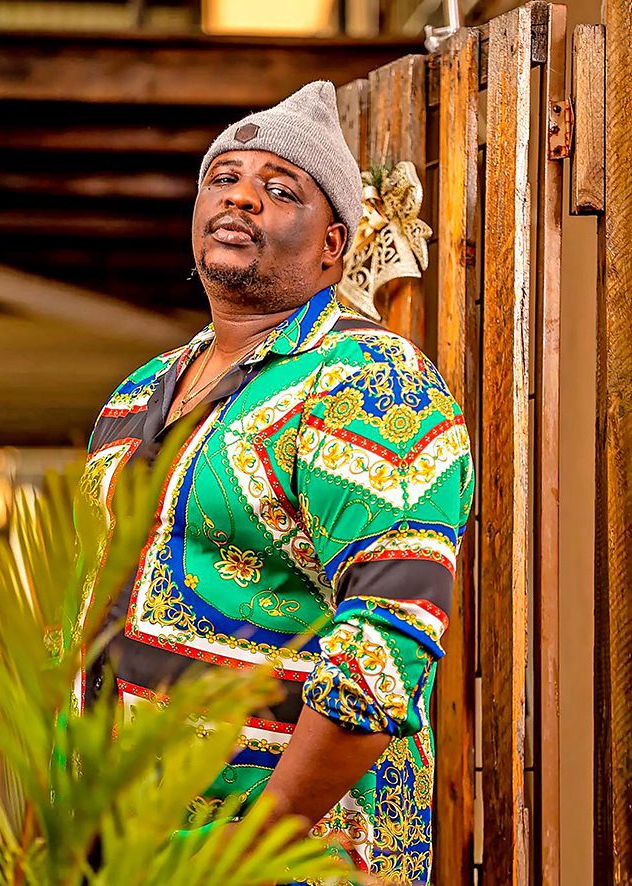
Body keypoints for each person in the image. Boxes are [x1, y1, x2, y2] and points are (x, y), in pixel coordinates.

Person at [75, 80, 474, 884]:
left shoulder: (368, 381)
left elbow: (389, 638)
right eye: (223, 178)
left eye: (280, 188)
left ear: (332, 246)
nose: (241, 196)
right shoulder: (140, 390)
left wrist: (250, 850)